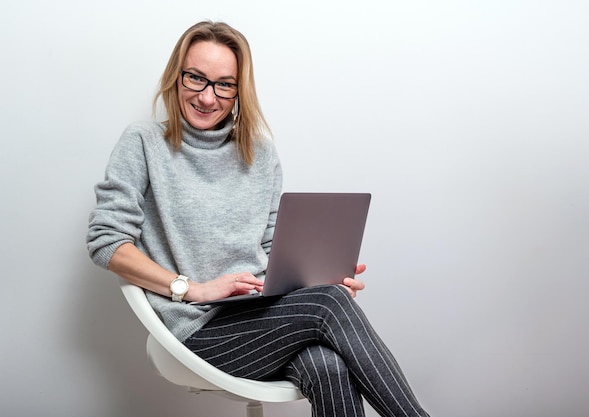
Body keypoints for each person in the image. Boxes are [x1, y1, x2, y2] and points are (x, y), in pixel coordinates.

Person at [87, 20, 430, 417]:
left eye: (224, 84)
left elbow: (270, 250)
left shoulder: (259, 153)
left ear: (238, 90)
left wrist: (317, 278)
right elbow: (106, 242)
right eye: (196, 78)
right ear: (176, 77)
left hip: (258, 318)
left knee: (327, 366)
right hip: (195, 331)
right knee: (331, 304)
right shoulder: (144, 143)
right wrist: (192, 289)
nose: (207, 96)